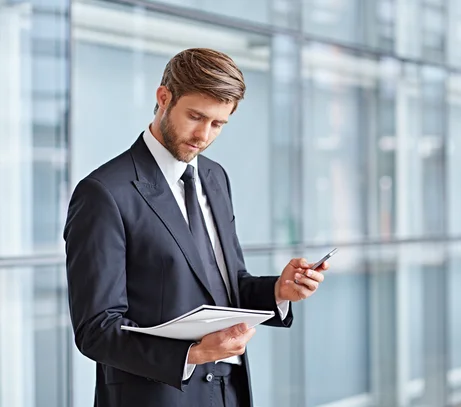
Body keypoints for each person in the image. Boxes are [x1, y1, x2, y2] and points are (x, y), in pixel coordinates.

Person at [64, 48, 328, 407]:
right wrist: (193, 353)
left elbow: (225, 285)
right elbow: (96, 330)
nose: (204, 135)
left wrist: (279, 291)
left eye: (218, 124)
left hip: (228, 393)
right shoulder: (104, 193)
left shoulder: (215, 177)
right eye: (196, 116)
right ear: (163, 97)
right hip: (156, 398)